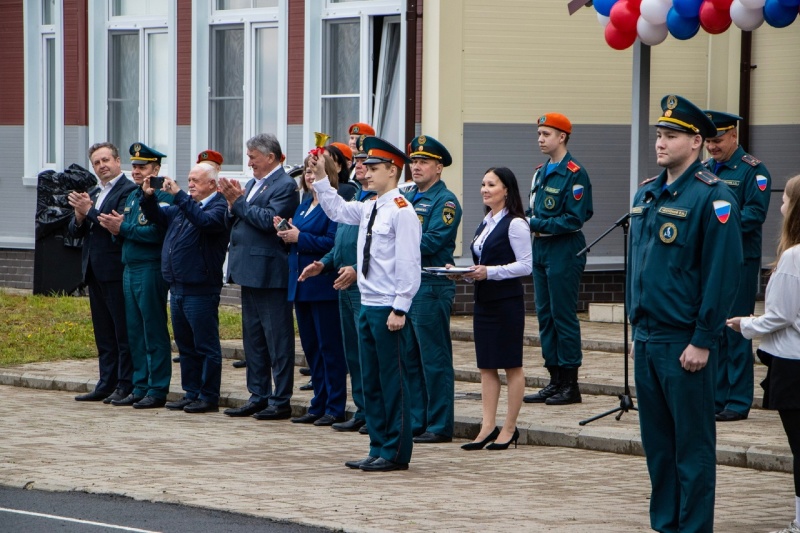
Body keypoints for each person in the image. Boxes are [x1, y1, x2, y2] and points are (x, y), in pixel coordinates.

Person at [628, 94, 743, 533]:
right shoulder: (648, 193)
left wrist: (703, 338)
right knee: (658, 447)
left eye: (671, 136)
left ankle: (693, 527)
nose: (660, 143)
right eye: (659, 134)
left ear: (696, 142)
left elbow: (721, 276)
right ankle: (666, 525)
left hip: (683, 342)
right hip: (648, 337)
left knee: (691, 448)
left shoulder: (714, 198)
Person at [311, 136, 421, 472]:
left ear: (392, 169)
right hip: (367, 301)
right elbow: (337, 210)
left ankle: (395, 451)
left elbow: (408, 263)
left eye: (373, 168)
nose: (365, 173)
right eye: (364, 167)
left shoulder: (402, 211)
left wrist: (400, 307)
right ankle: (377, 444)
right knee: (370, 379)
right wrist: (320, 177)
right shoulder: (371, 205)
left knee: (392, 381)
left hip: (388, 306)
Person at [727, 174, 800, 533]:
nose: (781, 206)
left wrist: (746, 325)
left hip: (793, 364)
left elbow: (781, 316)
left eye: (786, 200)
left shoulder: (793, 258)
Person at [299, 135, 376, 434]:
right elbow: (342, 240)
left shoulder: (390, 203)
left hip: (365, 284)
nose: (361, 168)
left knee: (367, 352)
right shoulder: (357, 199)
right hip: (344, 281)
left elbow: (386, 250)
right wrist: (324, 263)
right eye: (358, 162)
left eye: (367, 164)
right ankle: (362, 409)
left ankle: (375, 413)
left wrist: (356, 269)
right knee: (354, 355)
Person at [219, 134, 299, 421]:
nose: (249, 162)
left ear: (271, 157)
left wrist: (238, 203)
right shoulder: (253, 184)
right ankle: (258, 394)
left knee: (277, 339)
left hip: (270, 273)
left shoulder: (286, 185)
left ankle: (281, 399)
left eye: (253, 156)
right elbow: (239, 218)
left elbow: (270, 221)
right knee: (253, 339)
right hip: (247, 271)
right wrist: (232, 205)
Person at [140, 161, 231, 413]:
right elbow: (157, 216)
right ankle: (191, 392)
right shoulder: (183, 206)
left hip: (201, 288)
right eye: (189, 179)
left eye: (195, 181)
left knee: (205, 346)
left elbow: (203, 222)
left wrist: (180, 195)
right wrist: (147, 198)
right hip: (177, 287)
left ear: (212, 184)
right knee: (186, 346)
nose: (190, 184)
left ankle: (208, 396)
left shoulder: (219, 206)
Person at [451, 167, 531, 451]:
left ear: (506, 190)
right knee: (486, 366)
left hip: (506, 303)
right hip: (484, 301)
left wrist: (490, 272)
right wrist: (464, 272)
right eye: (483, 184)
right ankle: (487, 426)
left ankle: (509, 429)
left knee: (511, 365)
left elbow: (525, 265)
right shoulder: (485, 223)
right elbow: (483, 263)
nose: (485, 189)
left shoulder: (516, 223)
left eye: (491, 184)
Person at [703, 110, 772, 422]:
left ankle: (738, 400)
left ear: (734, 136)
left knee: (736, 329)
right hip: (710, 261)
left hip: (739, 262)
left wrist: (715, 226)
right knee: (714, 328)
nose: (712, 146)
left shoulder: (752, 172)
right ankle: (717, 397)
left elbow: (753, 215)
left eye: (717, 140)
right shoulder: (703, 170)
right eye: (707, 140)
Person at [523, 113, 592, 406]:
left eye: (546, 134)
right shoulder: (541, 171)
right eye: (539, 133)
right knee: (545, 315)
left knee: (563, 316)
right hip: (540, 249)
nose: (540, 139)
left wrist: (534, 223)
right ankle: (554, 379)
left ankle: (570, 383)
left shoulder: (575, 173)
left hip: (564, 248)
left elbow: (575, 218)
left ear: (562, 137)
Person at [97, 143, 172, 409]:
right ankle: (140, 385)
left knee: (153, 329)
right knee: (135, 332)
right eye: (135, 166)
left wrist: (124, 229)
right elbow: (125, 232)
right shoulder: (132, 196)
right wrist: (118, 231)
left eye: (143, 167)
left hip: (150, 268)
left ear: (156, 168)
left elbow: (156, 234)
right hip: (129, 268)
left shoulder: (164, 195)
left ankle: (158, 387)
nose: (137, 171)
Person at [277, 155, 347, 426]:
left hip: (323, 286)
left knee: (330, 347)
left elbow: (332, 242)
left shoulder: (333, 206)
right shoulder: (305, 204)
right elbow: (296, 242)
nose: (308, 176)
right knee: (312, 348)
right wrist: (286, 235)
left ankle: (335, 405)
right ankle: (319, 401)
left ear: (328, 174)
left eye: (314, 171)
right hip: (301, 285)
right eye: (306, 171)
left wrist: (299, 237)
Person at [403, 135, 462, 444]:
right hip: (409, 284)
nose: (416, 167)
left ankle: (439, 424)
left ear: (439, 167)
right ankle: (417, 419)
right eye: (414, 161)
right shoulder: (408, 196)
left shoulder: (446, 201)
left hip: (431, 283)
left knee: (433, 358)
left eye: (423, 162)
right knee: (411, 356)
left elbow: (434, 240)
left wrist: (397, 243)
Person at [69, 142, 137, 403]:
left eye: (106, 160)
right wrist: (79, 215)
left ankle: (125, 383)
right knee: (104, 333)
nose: (102, 166)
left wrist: (90, 211)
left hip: (116, 270)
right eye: (97, 162)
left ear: (118, 162)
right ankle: (105, 382)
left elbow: (112, 222)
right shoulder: (95, 192)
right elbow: (75, 233)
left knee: (122, 331)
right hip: (94, 272)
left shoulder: (127, 190)